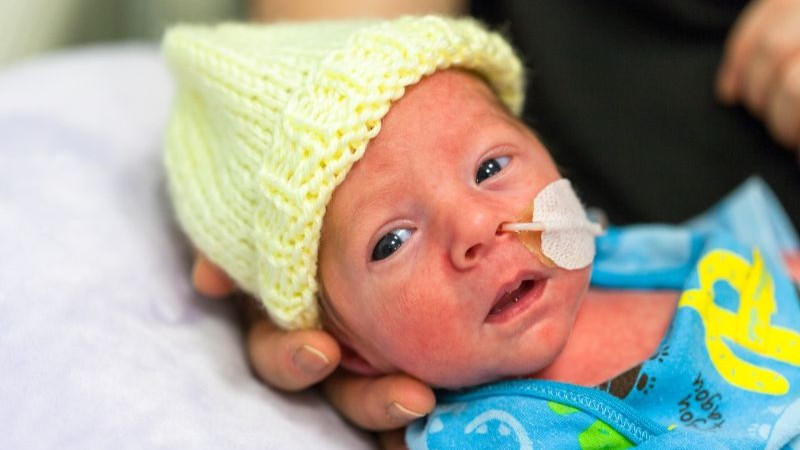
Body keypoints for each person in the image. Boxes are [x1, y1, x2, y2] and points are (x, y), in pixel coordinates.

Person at [164, 16, 800, 448]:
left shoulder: (635, 254)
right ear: (355, 353)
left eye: (491, 167)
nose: (476, 225)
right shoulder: (484, 433)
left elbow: (752, 266)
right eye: (392, 240)